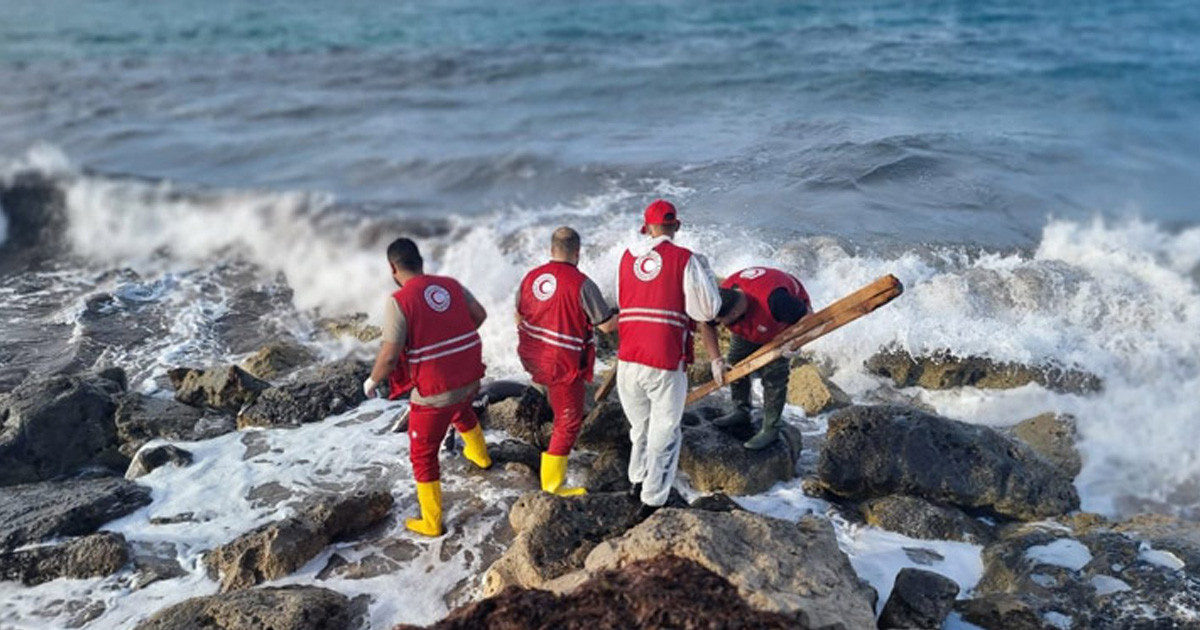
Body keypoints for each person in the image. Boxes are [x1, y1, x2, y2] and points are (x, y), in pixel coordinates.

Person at [362, 237, 492, 537]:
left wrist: (372, 380)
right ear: (421, 261)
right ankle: (482, 457)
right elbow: (480, 315)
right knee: (460, 409)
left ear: (392, 268)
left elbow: (390, 355)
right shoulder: (451, 284)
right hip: (471, 377)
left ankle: (432, 522)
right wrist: (453, 341)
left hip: (436, 392)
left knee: (423, 452)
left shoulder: (399, 301)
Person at [616, 199, 722, 517]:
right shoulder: (684, 259)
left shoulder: (625, 260)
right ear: (676, 226)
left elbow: (624, 303)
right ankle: (652, 501)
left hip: (627, 359)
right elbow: (707, 309)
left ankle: (636, 482)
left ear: (646, 228)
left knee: (641, 427)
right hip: (664, 359)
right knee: (665, 432)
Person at [515, 227, 617, 496]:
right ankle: (552, 487)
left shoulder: (531, 278)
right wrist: (628, 314)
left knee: (551, 393)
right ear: (577, 253)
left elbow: (518, 315)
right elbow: (606, 326)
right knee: (569, 420)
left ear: (551, 250)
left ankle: (540, 408)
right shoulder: (582, 283)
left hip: (532, 356)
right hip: (562, 363)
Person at [701, 267, 811, 449]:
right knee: (735, 365)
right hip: (750, 326)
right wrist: (716, 360)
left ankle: (771, 428)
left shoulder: (777, 302)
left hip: (780, 327)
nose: (719, 325)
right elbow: (707, 326)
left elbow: (808, 318)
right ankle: (741, 410)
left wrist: (796, 343)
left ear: (734, 315)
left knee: (774, 377)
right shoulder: (724, 296)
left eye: (722, 322)